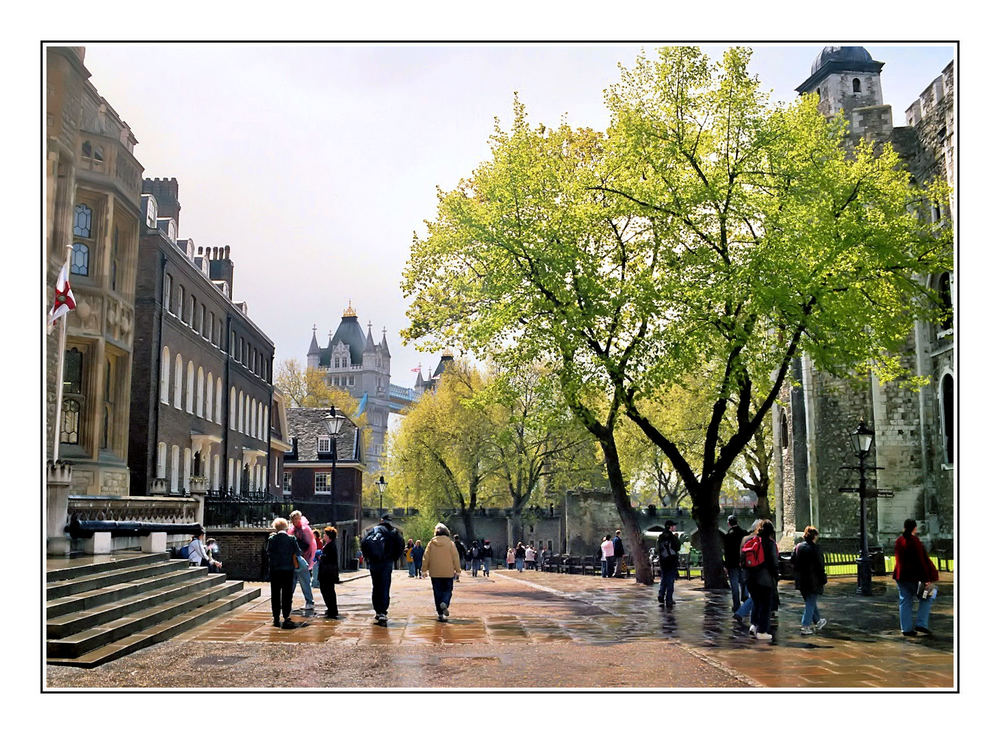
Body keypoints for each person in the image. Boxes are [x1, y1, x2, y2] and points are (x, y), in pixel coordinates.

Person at [893, 518, 939, 636]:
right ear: (915, 528)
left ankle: (906, 629)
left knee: (905, 601)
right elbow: (921, 562)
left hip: (901, 577)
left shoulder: (899, 541)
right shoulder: (915, 542)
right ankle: (921, 623)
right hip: (915, 578)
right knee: (929, 595)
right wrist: (927, 579)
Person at [360, 513, 406, 625]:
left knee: (376, 586)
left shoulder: (373, 530)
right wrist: (393, 558)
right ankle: (383, 612)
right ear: (390, 521)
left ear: (381, 520)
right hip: (386, 562)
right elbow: (401, 546)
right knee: (385, 586)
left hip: (374, 563)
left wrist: (368, 558)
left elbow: (363, 543)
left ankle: (377, 610)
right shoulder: (394, 532)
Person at [745, 519, 779, 641]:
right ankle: (762, 631)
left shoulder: (751, 541)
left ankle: (753, 625)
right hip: (765, 579)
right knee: (765, 606)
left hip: (750, 578)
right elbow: (775, 563)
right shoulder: (770, 543)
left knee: (755, 602)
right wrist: (776, 576)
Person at [265, 518, 302, 629]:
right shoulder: (291, 539)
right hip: (288, 570)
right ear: (286, 527)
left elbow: (268, 552)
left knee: (275, 594)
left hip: (275, 570)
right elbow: (298, 552)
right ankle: (286, 616)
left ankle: (276, 617)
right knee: (287, 594)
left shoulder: (272, 539)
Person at [791, 525, 828, 635]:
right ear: (814, 536)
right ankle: (805, 625)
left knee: (809, 601)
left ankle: (818, 621)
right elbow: (820, 565)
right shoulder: (816, 548)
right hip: (813, 580)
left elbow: (793, 561)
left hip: (801, 579)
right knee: (810, 603)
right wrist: (823, 578)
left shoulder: (798, 547)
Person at [424, 523, 463, 621]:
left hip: (435, 572)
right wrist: (458, 570)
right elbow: (455, 557)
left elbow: (426, 557)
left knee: (437, 592)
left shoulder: (431, 543)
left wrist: (424, 570)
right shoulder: (450, 544)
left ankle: (440, 613)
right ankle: (445, 603)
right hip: (448, 572)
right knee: (447, 590)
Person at [289, 510, 317, 610]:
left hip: (302, 560)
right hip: (294, 559)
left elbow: (310, 545)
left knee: (304, 582)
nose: (295, 521)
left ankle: (309, 602)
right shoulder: (292, 529)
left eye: (296, 518)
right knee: (292, 582)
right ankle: (288, 601)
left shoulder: (305, 529)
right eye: (293, 519)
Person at [723, 515, 748, 612]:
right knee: (744, 583)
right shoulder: (744, 533)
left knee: (734, 586)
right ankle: (745, 600)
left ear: (729, 523)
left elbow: (727, 552)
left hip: (732, 563)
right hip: (743, 562)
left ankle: (736, 605)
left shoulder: (728, 535)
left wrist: (726, 565)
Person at [655, 519, 682, 607]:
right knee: (670, 580)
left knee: (664, 578)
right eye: (674, 526)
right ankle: (669, 599)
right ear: (670, 527)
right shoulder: (672, 537)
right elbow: (677, 547)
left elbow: (658, 549)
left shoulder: (661, 536)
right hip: (671, 560)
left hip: (663, 561)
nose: (675, 527)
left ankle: (661, 595)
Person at [318, 526, 341, 618]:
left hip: (327, 573)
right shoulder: (329, 545)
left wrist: (321, 557)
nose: (323, 535)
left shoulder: (330, 546)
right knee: (328, 591)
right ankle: (331, 608)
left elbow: (328, 559)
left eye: (325, 534)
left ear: (328, 536)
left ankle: (332, 609)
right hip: (327, 573)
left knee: (327, 591)